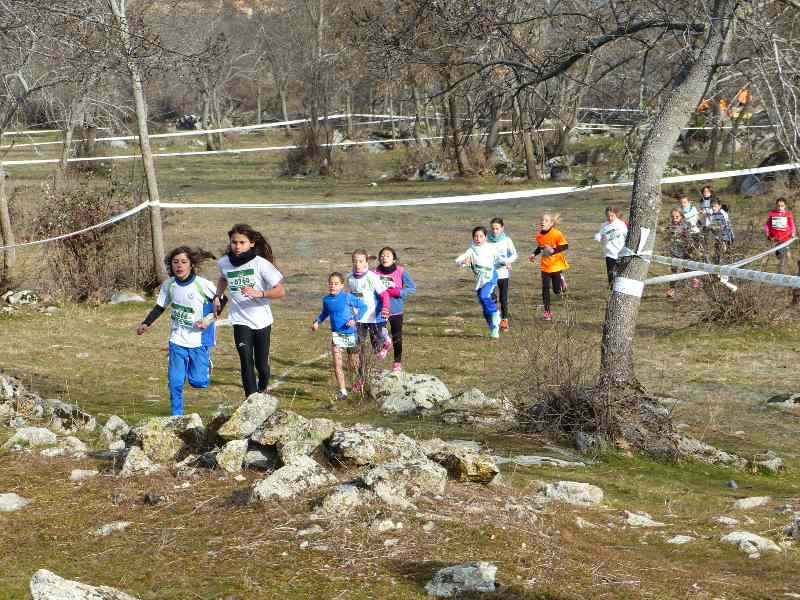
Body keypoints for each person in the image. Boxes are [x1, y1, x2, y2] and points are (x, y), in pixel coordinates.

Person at [136, 246, 221, 416]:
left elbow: (222, 301)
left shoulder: (202, 285)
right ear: (171, 265)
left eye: (183, 262)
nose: (179, 266)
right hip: (177, 339)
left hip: (199, 339)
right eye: (175, 262)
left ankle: (204, 364)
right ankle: (177, 415)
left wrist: (208, 319)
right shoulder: (169, 285)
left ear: (191, 265)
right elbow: (160, 306)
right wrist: (146, 323)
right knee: (175, 381)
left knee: (199, 382)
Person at [214, 224, 284, 398]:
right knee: (245, 359)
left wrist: (259, 293)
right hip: (240, 319)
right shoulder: (224, 262)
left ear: (251, 243)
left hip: (262, 320)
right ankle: (250, 400)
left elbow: (280, 291)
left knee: (261, 365)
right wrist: (217, 295)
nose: (237, 246)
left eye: (242, 242)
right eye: (234, 242)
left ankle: (263, 385)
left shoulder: (261, 264)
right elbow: (223, 278)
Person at [312, 272, 367, 402]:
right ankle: (343, 391)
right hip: (336, 336)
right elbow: (325, 313)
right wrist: (317, 322)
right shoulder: (326, 300)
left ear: (342, 285)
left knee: (353, 364)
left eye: (336, 284)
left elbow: (363, 307)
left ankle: (360, 379)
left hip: (351, 334)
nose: (333, 286)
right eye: (331, 283)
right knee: (337, 364)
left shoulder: (348, 297)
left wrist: (355, 319)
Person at [347, 249, 391, 391]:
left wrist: (385, 308)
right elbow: (349, 297)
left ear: (366, 262)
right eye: (355, 261)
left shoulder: (371, 277)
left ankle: (385, 340)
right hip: (358, 319)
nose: (358, 264)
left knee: (377, 350)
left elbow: (384, 294)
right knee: (357, 349)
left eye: (361, 261)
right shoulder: (349, 278)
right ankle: (361, 378)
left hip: (373, 317)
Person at [373, 247, 416, 373]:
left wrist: (398, 292)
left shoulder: (401, 271)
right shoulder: (374, 272)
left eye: (387, 255)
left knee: (397, 336)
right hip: (379, 309)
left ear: (394, 258)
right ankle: (386, 344)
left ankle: (397, 363)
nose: (384, 257)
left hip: (396, 309)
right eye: (382, 255)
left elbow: (412, 288)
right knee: (377, 333)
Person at [455, 226, 501, 338]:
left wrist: (507, 262)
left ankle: (495, 312)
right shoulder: (471, 249)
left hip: (490, 276)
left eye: (481, 236)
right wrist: (462, 262)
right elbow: (458, 260)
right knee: (484, 306)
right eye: (476, 236)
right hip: (480, 280)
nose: (478, 238)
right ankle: (493, 328)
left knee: (484, 296)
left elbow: (500, 258)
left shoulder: (490, 248)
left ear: (485, 237)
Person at [529, 213, 569, 321]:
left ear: (551, 223)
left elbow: (565, 246)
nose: (543, 222)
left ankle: (561, 279)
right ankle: (547, 312)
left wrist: (553, 251)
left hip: (556, 265)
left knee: (557, 291)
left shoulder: (556, 234)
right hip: (545, 266)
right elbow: (540, 247)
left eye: (546, 220)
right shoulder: (539, 235)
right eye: (542, 220)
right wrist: (534, 254)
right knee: (545, 288)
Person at [488, 217, 518, 331]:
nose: (495, 231)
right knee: (491, 296)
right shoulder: (487, 240)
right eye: (493, 229)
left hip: (503, 274)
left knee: (503, 299)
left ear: (502, 228)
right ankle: (495, 314)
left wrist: (508, 261)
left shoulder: (507, 240)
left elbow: (514, 254)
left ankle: (504, 321)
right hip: (491, 273)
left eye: (497, 229)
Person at [594, 207, 628, 287]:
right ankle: (612, 288)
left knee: (620, 272)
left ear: (616, 215)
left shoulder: (621, 224)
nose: (610, 218)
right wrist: (598, 236)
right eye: (608, 216)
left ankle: (621, 288)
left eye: (612, 216)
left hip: (620, 252)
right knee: (611, 273)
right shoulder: (604, 225)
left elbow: (627, 236)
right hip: (609, 253)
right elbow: (600, 234)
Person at [764, 197, 796, 274]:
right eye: (778, 206)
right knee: (779, 256)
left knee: (787, 255)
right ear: (776, 205)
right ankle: (782, 269)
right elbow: (767, 225)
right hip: (776, 239)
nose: (780, 208)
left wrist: (793, 233)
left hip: (786, 238)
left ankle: (788, 270)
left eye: (782, 206)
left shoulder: (788, 214)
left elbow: (792, 225)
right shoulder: (772, 214)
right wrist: (767, 233)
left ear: (785, 206)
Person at [664, 208, 691, 298]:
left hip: (684, 250)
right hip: (673, 251)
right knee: (674, 271)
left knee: (687, 270)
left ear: (681, 216)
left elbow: (689, 238)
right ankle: (672, 290)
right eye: (673, 217)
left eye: (677, 217)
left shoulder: (686, 225)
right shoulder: (670, 225)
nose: (675, 218)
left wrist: (684, 235)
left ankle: (692, 285)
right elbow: (667, 237)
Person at [708, 199, 734, 263]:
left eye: (715, 206)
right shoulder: (713, 214)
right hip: (718, 236)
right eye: (712, 206)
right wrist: (711, 227)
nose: (713, 208)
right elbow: (712, 223)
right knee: (717, 250)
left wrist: (719, 228)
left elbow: (726, 224)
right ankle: (717, 263)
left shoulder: (723, 213)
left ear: (719, 206)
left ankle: (729, 262)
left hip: (727, 236)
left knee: (727, 251)